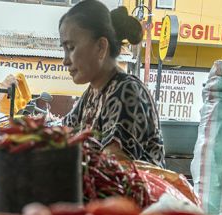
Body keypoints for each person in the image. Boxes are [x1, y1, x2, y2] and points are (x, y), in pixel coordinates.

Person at [60, 0, 165, 167]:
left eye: (71, 48)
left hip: (133, 193)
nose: (65, 61)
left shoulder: (126, 91)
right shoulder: (92, 93)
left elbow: (114, 166)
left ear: (101, 47)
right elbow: (62, 138)